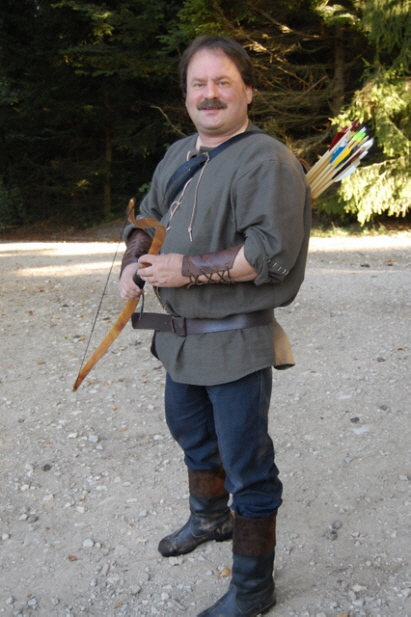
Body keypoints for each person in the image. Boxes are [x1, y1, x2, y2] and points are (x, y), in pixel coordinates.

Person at [120, 35, 311, 617]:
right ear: (185, 95)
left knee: (247, 467)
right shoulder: (179, 153)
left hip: (235, 343)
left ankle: (253, 589)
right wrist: (133, 261)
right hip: (180, 343)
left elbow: (269, 252)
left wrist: (183, 269)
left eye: (223, 82)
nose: (210, 94)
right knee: (193, 436)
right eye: (198, 84)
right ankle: (209, 518)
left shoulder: (268, 161)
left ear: (247, 90)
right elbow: (149, 216)